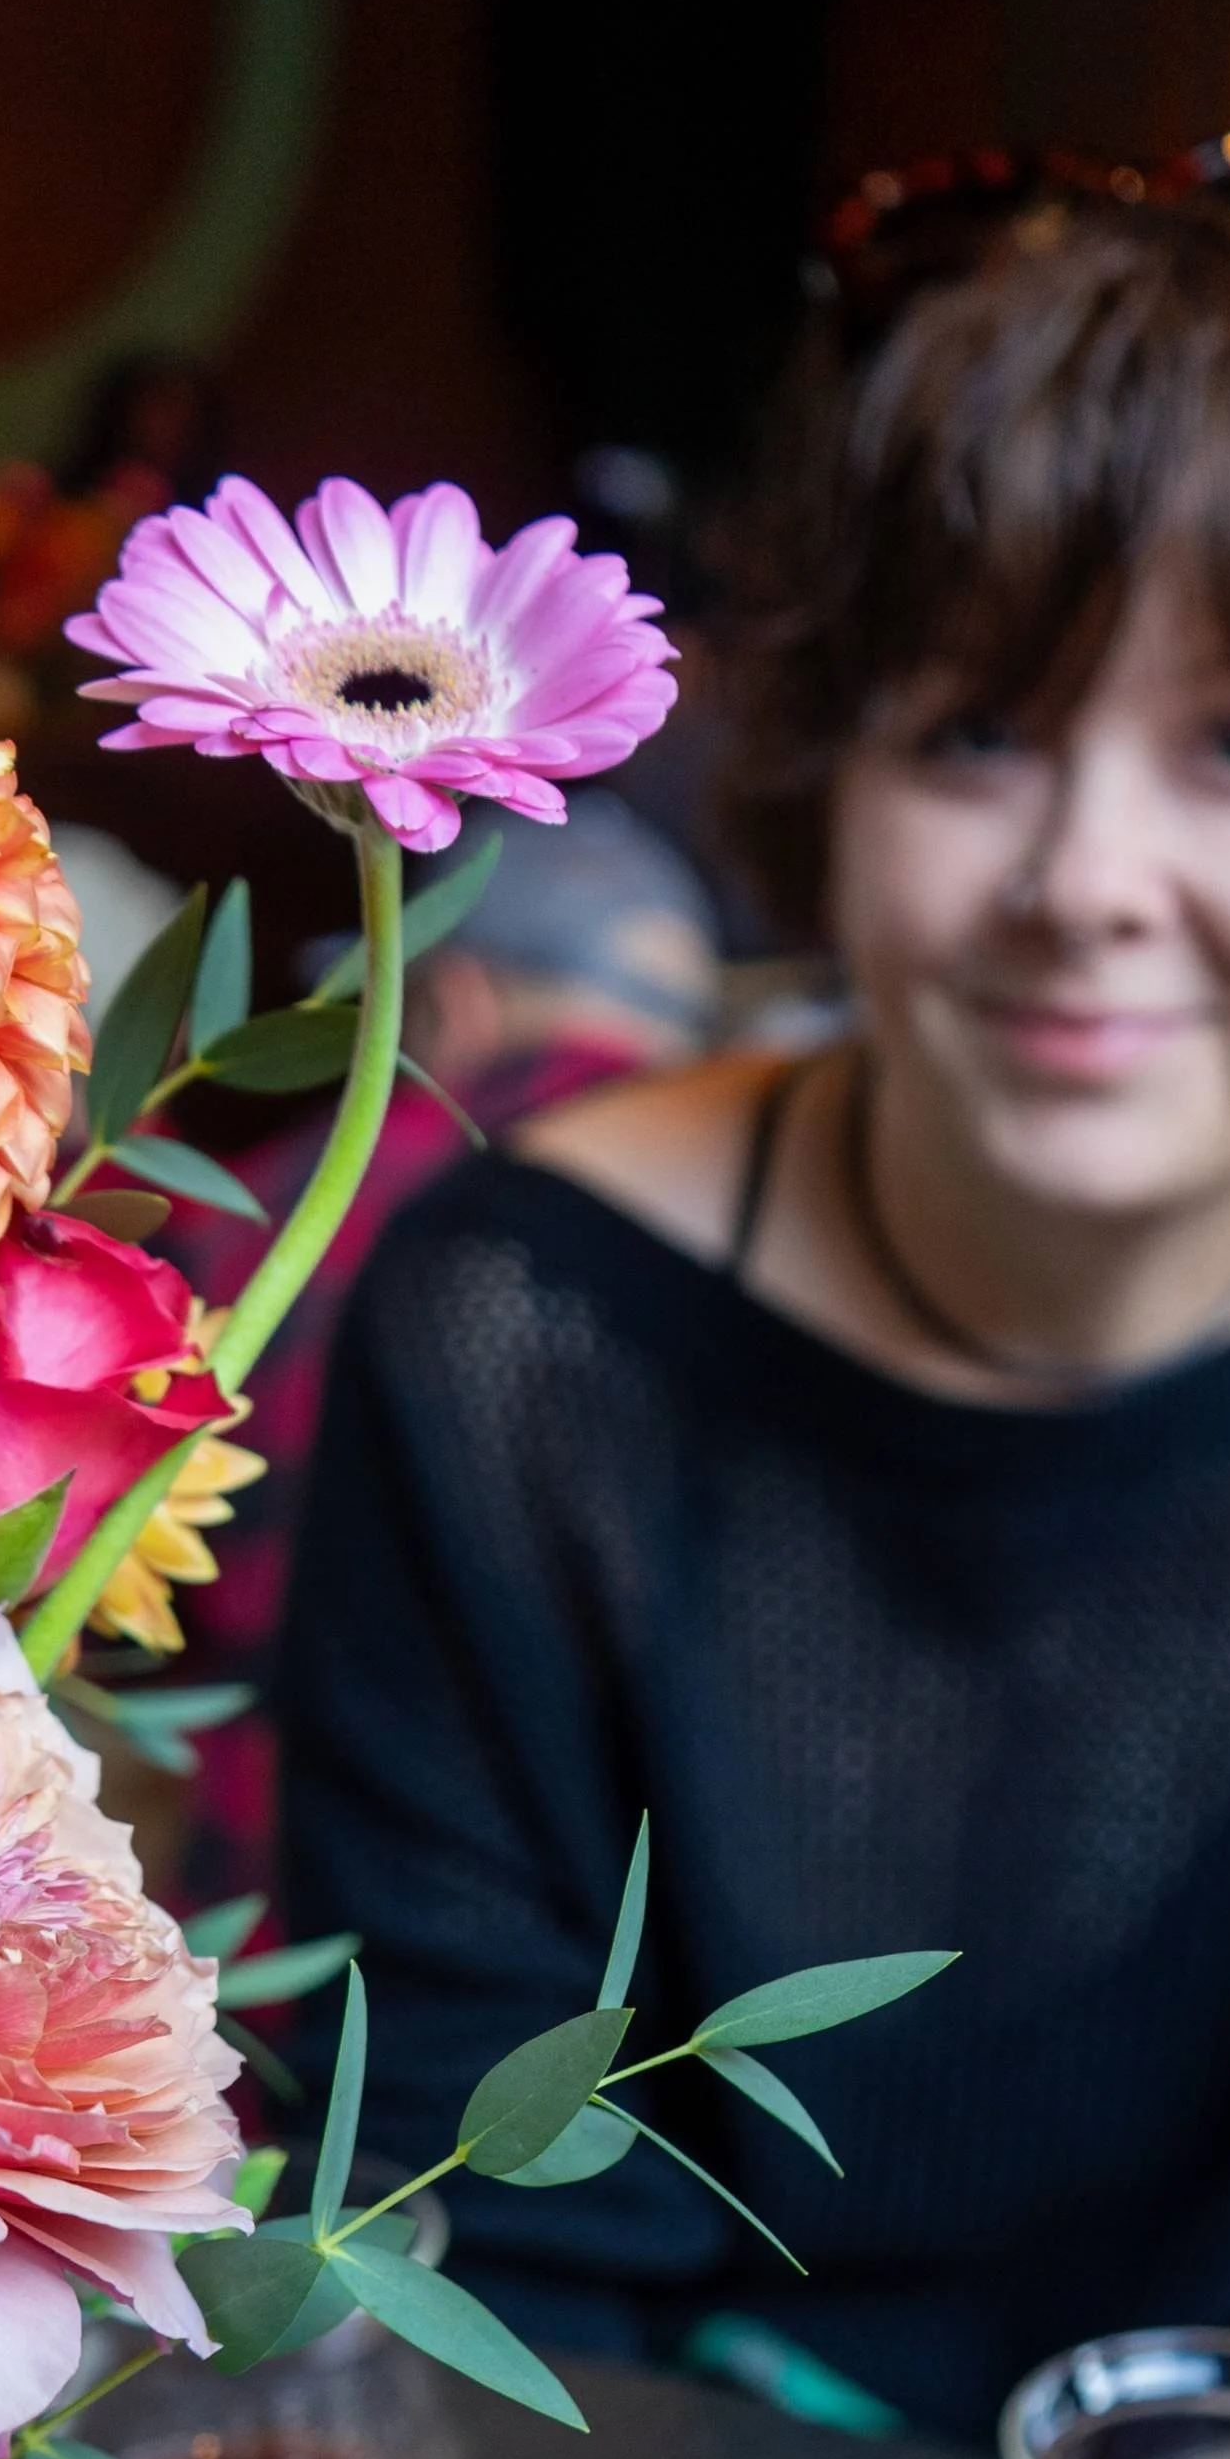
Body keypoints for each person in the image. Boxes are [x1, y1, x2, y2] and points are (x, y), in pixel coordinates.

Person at [276, 161, 1230, 2459]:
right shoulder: (515, 1338)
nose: (1087, 879)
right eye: (980, 735)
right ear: (830, 789)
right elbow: (467, 2233)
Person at [166, 795, 721, 1915]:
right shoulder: (746, 1235)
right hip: (651, 1971)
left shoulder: (285, 1215)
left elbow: (134, 1587)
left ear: (450, 1003)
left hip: (297, 1921)